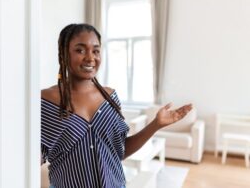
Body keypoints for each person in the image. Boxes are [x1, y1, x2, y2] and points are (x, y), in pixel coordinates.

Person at [41, 23, 192, 188]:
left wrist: (156, 125)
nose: (90, 57)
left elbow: (120, 151)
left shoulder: (110, 97)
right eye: (80, 50)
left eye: (96, 50)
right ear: (64, 54)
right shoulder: (45, 101)